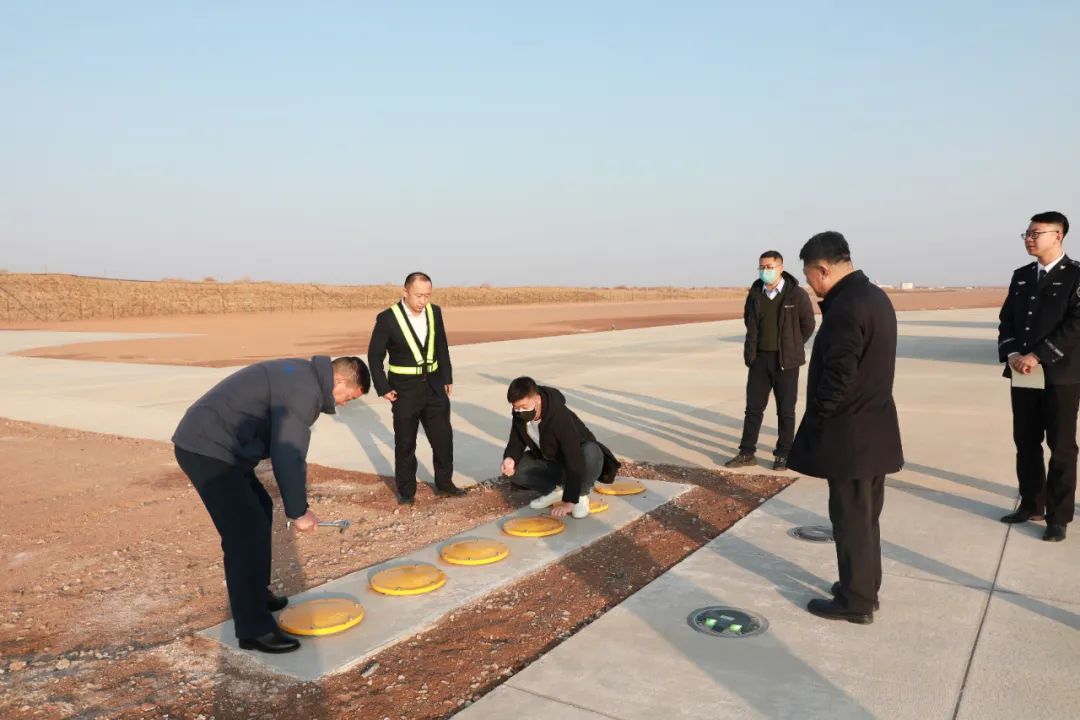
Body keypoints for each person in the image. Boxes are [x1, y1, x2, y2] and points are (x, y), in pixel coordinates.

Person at [173, 355, 370, 653]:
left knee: (261, 507)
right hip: (207, 448)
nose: (345, 404)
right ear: (339, 381)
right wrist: (299, 512)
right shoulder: (304, 392)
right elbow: (288, 453)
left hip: (220, 447)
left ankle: (257, 593)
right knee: (245, 535)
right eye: (349, 397)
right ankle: (254, 629)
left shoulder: (304, 376)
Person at [787, 232, 903, 625]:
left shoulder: (846, 308)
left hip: (851, 435)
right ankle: (864, 587)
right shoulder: (874, 297)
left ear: (823, 269)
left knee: (850, 521)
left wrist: (818, 418)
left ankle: (856, 603)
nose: (809, 284)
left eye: (808, 276)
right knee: (866, 519)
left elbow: (838, 377)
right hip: (875, 429)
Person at [997, 211, 1078, 542]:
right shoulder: (1021, 276)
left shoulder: (1075, 275)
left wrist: (1038, 355)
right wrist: (1013, 354)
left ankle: (1058, 517)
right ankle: (1031, 503)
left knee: (1061, 447)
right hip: (1023, 374)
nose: (1029, 239)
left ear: (1058, 236)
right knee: (1026, 441)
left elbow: (1076, 324)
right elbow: (1007, 320)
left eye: (1035, 233)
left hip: (1061, 376)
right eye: (1027, 234)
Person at [368, 272, 465, 505]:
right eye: (418, 296)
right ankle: (406, 491)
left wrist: (447, 376)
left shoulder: (435, 312)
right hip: (404, 391)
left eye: (427, 295)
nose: (423, 301)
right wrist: (383, 387)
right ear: (405, 292)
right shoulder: (387, 318)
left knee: (443, 439)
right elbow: (374, 356)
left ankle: (445, 484)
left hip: (434, 386)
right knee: (406, 443)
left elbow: (441, 346)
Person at [725, 250, 816, 471]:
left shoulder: (796, 295)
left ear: (781, 268)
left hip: (786, 361)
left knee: (785, 410)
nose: (765, 271)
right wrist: (753, 353)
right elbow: (749, 322)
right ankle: (747, 452)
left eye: (769, 267)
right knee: (753, 409)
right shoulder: (755, 294)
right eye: (762, 267)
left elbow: (808, 325)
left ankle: (783, 454)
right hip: (759, 360)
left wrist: (792, 345)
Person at [500, 377, 621, 518]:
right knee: (516, 468)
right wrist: (510, 458)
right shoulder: (519, 415)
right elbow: (516, 441)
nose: (519, 411)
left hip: (581, 461)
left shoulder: (559, 416)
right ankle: (556, 491)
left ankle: (580, 494)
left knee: (590, 451)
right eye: (516, 407)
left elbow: (573, 456)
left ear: (537, 399)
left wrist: (570, 501)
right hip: (553, 461)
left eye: (524, 407)